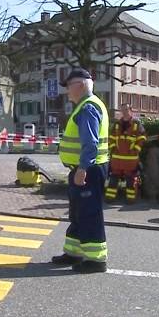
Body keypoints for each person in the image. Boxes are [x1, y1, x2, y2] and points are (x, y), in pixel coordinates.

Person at [52, 68, 110, 273]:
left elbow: (91, 143)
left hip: (89, 170)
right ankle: (74, 253)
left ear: (81, 85)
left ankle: (95, 260)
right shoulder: (86, 106)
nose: (67, 91)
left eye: (69, 86)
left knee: (89, 213)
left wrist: (83, 168)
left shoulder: (88, 108)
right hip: (84, 168)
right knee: (77, 212)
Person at [105, 103, 146, 204]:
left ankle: (131, 200)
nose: (124, 112)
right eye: (122, 110)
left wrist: (135, 150)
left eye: (126, 110)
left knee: (130, 181)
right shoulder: (117, 124)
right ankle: (109, 198)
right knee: (113, 180)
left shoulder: (137, 124)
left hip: (130, 160)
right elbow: (111, 138)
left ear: (131, 110)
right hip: (117, 159)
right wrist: (113, 148)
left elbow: (142, 138)